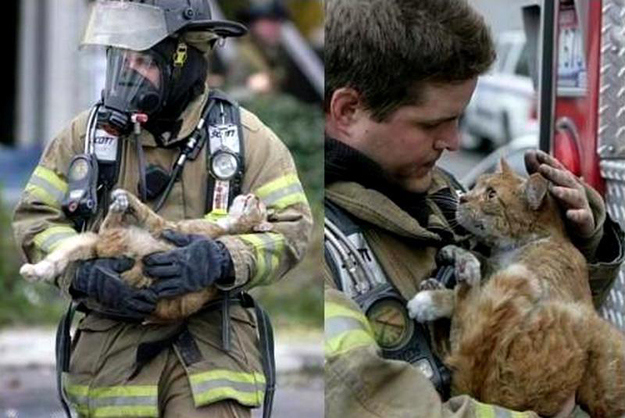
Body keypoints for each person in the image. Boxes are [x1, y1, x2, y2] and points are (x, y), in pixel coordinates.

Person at [323, 0, 624, 417]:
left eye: (459, 120)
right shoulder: (318, 249)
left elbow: (535, 320)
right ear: (348, 110)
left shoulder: (440, 195)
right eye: (432, 124)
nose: (455, 142)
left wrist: (571, 244)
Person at [12, 1, 312, 417]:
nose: (128, 73)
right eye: (121, 58)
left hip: (212, 358)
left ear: (185, 60)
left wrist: (222, 259)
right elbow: (36, 219)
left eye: (143, 60)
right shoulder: (83, 137)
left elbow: (291, 229)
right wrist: (82, 274)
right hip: (111, 364)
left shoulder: (245, 139)